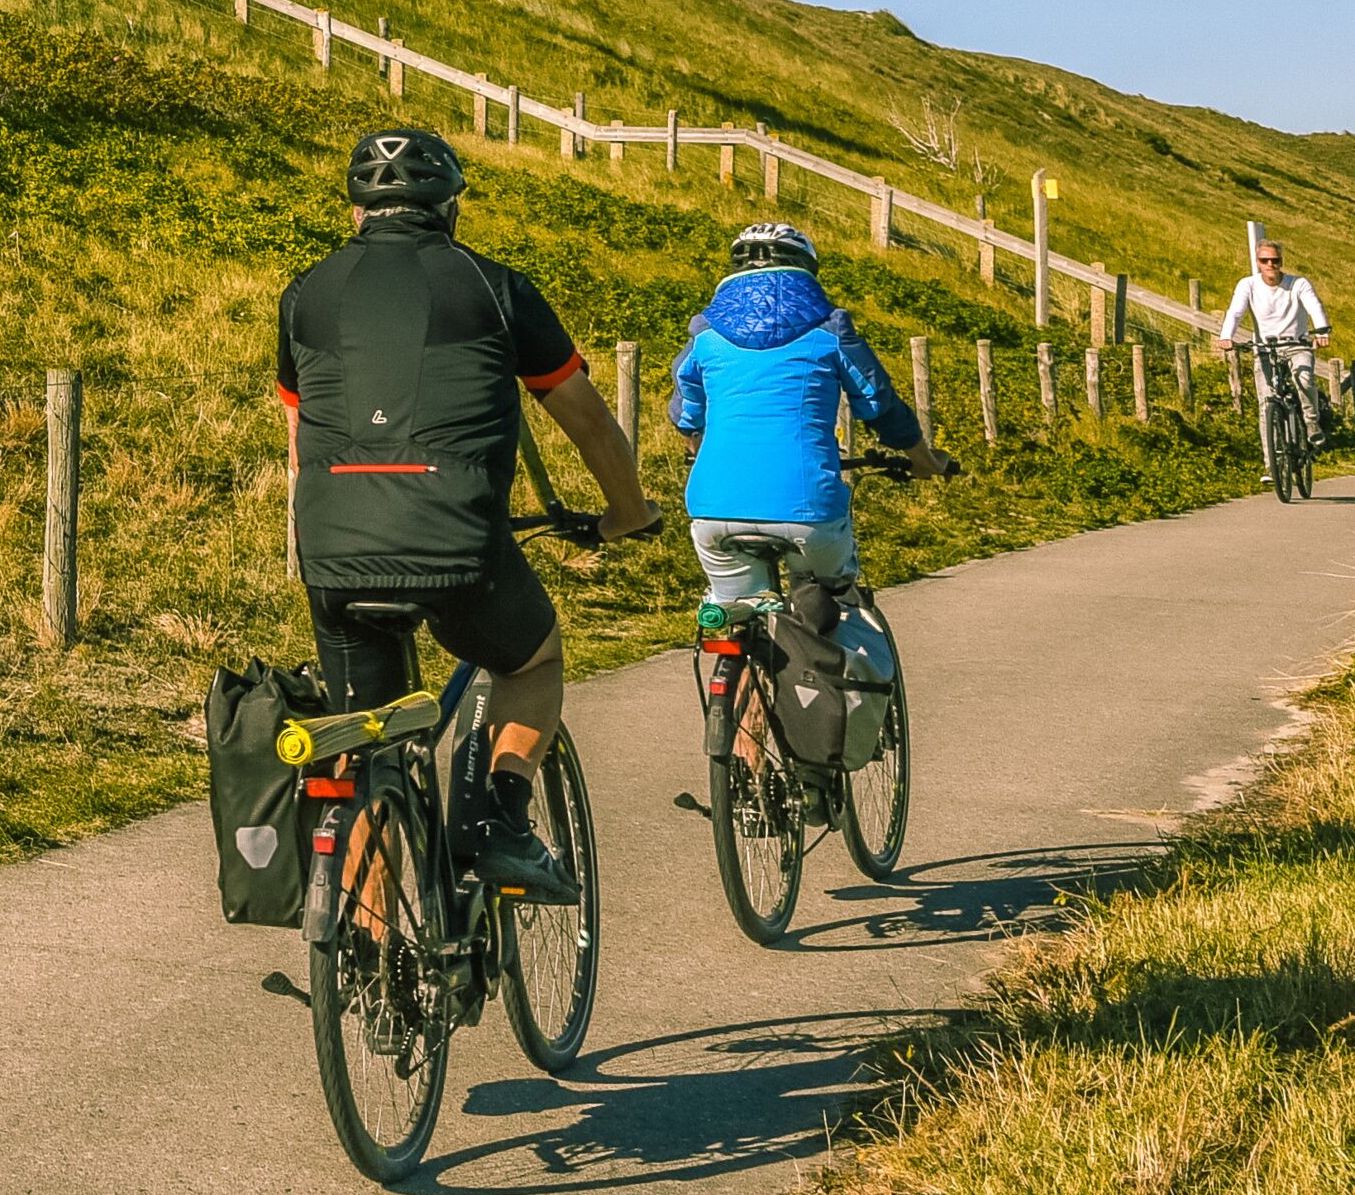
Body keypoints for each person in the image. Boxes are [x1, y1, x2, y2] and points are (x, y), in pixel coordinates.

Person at [279, 127, 656, 902]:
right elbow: (584, 418)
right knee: (533, 659)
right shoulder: (495, 287)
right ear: (450, 208)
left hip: (332, 551)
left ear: (357, 212)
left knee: (361, 750)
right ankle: (503, 824)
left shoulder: (304, 295)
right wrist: (628, 510)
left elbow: (298, 441)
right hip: (453, 545)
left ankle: (380, 978)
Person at [667, 221, 953, 626]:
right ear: (806, 270)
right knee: (839, 607)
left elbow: (686, 414)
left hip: (713, 509)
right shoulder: (830, 329)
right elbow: (878, 404)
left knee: (736, 615)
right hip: (808, 510)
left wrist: (697, 450)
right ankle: (849, 681)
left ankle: (734, 677)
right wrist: (924, 459)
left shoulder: (705, 336)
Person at [1217, 239, 1338, 460]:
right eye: (1265, 260)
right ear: (1258, 263)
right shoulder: (1248, 285)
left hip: (1297, 345)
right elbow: (1235, 312)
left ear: (1281, 262)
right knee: (1266, 404)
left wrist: (1321, 331)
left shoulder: (1298, 283)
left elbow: (1314, 306)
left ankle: (1311, 422)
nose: (1270, 265)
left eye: (1275, 260)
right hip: (1265, 349)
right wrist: (1226, 336)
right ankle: (1270, 462)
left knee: (1304, 380)